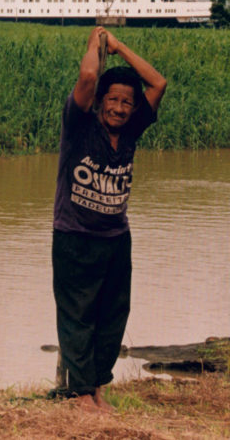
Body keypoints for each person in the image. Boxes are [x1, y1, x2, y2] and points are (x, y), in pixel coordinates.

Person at [52, 26, 167, 412]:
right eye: (113, 100)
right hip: (74, 237)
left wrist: (121, 48)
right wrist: (96, 47)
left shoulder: (132, 129)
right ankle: (80, 394)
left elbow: (158, 82)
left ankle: (97, 387)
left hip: (116, 238)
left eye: (126, 103)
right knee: (77, 317)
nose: (119, 108)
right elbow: (87, 77)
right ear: (100, 102)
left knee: (112, 318)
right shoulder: (79, 124)